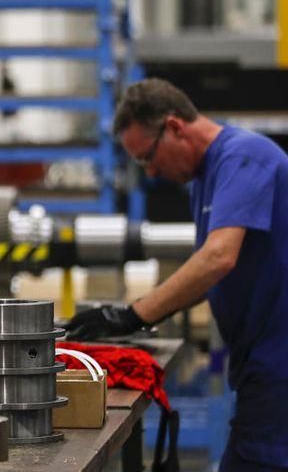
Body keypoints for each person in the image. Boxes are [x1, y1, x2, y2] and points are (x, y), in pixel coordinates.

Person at [65, 78, 288, 471]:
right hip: (258, 361)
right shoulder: (204, 179)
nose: (151, 171)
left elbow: (218, 258)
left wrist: (133, 315)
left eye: (148, 157)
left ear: (174, 127)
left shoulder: (244, 157)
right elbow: (210, 267)